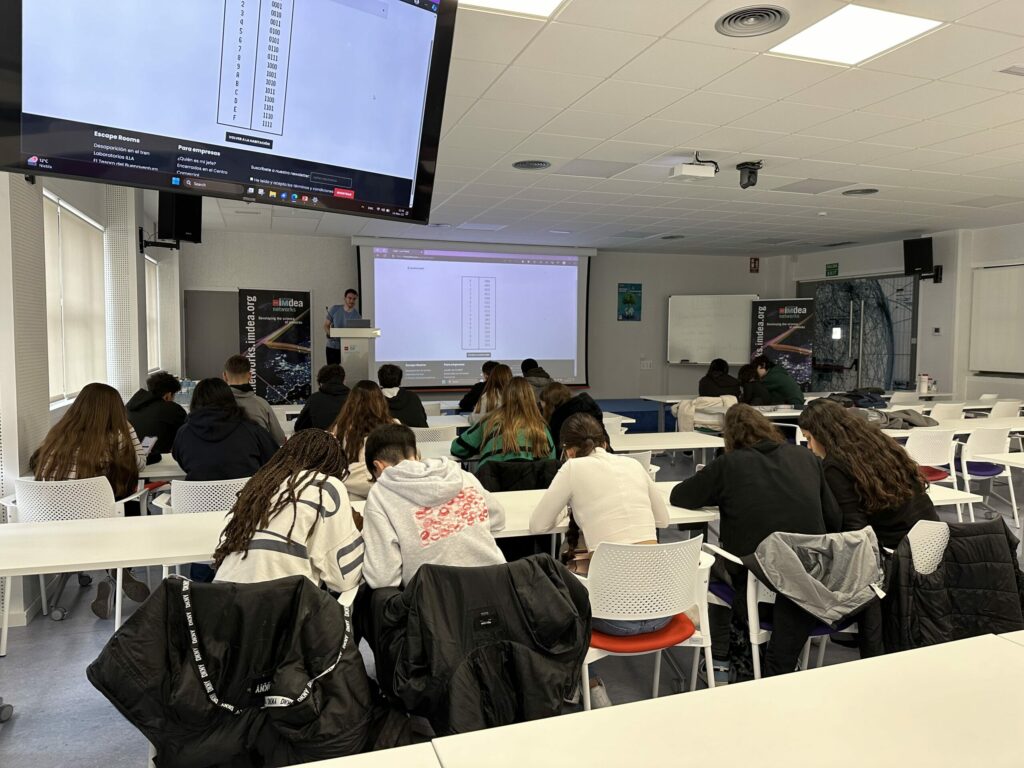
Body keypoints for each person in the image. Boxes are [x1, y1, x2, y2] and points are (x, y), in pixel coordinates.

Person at [670, 404, 840, 681]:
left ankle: (719, 660)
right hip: (809, 582)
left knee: (710, 565)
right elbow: (834, 518)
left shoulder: (729, 464)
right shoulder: (805, 457)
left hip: (755, 582)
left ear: (730, 437)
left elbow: (681, 496)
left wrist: (723, 491)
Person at [30, 382, 150, 619]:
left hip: (54, 524)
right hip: (101, 523)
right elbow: (140, 464)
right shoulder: (118, 434)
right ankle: (117, 573)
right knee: (129, 502)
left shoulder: (57, 433)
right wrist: (127, 431)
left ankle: (115, 575)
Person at [531, 413, 668, 593]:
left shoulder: (572, 468)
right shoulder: (633, 464)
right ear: (604, 443)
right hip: (659, 597)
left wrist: (565, 510)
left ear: (568, 451)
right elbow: (663, 520)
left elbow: (538, 525)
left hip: (611, 600)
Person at [213, 429, 363, 592]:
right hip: (280, 600)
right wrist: (354, 530)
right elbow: (344, 580)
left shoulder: (260, 486)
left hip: (222, 595)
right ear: (334, 465)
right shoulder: (326, 486)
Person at [361, 424, 506, 588]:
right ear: (416, 455)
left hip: (435, 598)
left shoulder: (380, 494)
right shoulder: (458, 474)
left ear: (378, 466)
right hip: (497, 586)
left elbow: (383, 577)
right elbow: (498, 519)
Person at [797, 399, 939, 550]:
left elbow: (855, 529)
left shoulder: (835, 466)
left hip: (899, 547)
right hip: (934, 535)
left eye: (809, 438)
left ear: (822, 435)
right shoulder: (880, 443)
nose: (809, 446)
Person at [172, 378, 278, 481]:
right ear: (231, 400)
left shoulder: (183, 433)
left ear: (195, 402)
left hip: (197, 493)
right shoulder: (252, 430)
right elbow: (275, 459)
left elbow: (181, 461)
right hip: (247, 492)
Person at [452, 377, 555, 467]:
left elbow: (457, 449)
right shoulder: (541, 428)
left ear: (505, 396)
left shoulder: (489, 421)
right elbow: (550, 463)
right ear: (532, 398)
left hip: (491, 481)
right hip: (532, 482)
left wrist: (486, 445)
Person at [328, 380, 397, 501]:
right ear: (380, 401)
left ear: (351, 402)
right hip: (388, 490)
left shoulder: (340, 428)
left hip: (351, 490)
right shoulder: (395, 426)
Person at [222, 354, 287, 446]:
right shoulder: (262, 405)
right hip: (258, 454)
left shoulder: (216, 405)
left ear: (224, 376)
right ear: (250, 376)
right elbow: (279, 439)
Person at [125, 371, 187, 462]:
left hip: (130, 460)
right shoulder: (173, 409)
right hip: (160, 460)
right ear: (168, 395)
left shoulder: (129, 407)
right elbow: (187, 435)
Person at [541, 381, 609, 450]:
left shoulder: (559, 421)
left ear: (549, 403)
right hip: (604, 452)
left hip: (582, 455)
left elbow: (558, 450)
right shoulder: (589, 409)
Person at [294, 364, 350, 432]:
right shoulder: (353, 398)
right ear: (343, 380)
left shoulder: (314, 399)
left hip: (321, 438)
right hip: (349, 438)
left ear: (321, 383)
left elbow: (299, 427)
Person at [378, 364, 427, 428]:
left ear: (380, 380)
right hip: (418, 434)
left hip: (390, 434)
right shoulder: (412, 396)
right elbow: (423, 419)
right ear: (400, 380)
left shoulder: (375, 399)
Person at [324, 288, 361, 366]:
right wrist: (330, 333)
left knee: (345, 371)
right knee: (331, 370)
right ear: (344, 298)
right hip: (332, 347)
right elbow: (326, 325)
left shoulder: (357, 316)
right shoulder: (335, 309)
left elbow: (357, 333)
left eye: (354, 299)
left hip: (348, 349)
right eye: (349, 298)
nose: (352, 301)